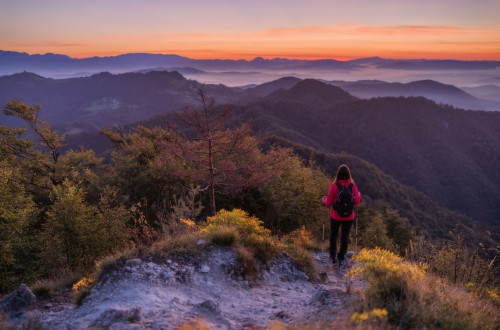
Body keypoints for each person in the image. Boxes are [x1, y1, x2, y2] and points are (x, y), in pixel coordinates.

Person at [322, 164, 361, 265]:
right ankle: (341, 256)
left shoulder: (334, 186)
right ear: (349, 174)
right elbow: (357, 202)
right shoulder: (353, 186)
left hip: (335, 215)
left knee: (333, 235)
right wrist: (359, 197)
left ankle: (333, 256)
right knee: (345, 236)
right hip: (349, 216)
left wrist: (323, 200)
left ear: (338, 174)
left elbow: (329, 202)